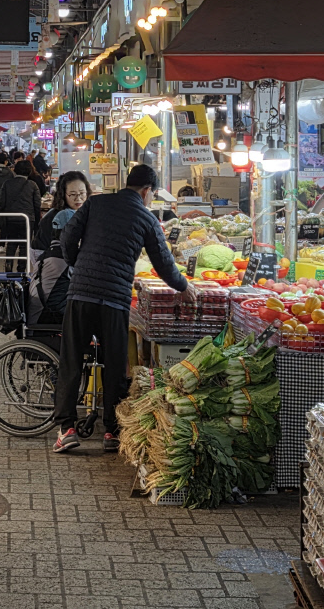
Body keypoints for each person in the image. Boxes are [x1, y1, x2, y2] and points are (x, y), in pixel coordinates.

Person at [54, 164, 194, 454]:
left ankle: (67, 429)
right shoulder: (145, 217)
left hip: (81, 293)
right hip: (115, 299)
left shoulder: (96, 202)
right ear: (146, 191)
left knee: (71, 360)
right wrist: (184, 286)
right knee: (115, 366)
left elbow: (67, 237)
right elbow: (163, 262)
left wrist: (78, 264)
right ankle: (111, 433)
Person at [0, 161, 42, 271]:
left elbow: (1, 202)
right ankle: (21, 269)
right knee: (24, 244)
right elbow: (37, 204)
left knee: (11, 243)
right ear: (29, 171)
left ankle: (8, 264)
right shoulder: (32, 185)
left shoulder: (7, 184)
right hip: (27, 219)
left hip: (10, 218)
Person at [35, 170, 92, 252]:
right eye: (72, 194)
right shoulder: (64, 215)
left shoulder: (75, 212)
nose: (78, 198)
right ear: (62, 194)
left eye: (82, 193)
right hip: (50, 258)